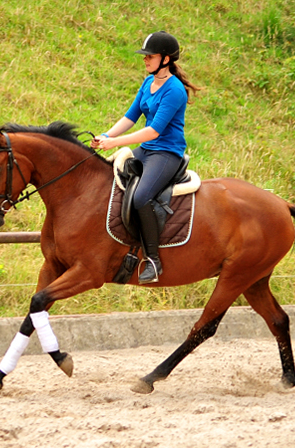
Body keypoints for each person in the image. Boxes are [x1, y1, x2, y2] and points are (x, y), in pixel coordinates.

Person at [92, 31, 201, 284]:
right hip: (147, 150)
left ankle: (153, 259)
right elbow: (130, 117)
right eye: (145, 56)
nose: (145, 60)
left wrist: (115, 143)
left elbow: (153, 131)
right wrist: (105, 135)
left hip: (166, 153)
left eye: (149, 56)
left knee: (141, 197)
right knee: (110, 177)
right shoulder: (147, 83)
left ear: (165, 59)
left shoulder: (174, 90)